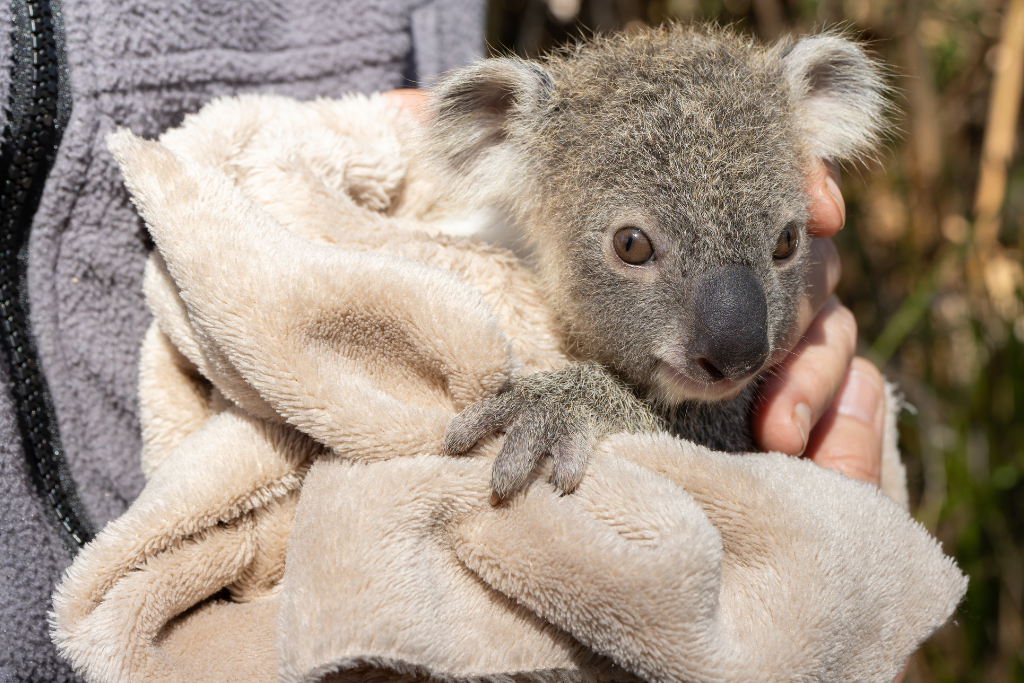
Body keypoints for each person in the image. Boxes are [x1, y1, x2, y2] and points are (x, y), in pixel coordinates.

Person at [0, 3, 887, 680]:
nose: (739, 336)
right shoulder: (486, 218)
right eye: (633, 246)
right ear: (497, 134)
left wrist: (788, 302)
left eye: (779, 242)